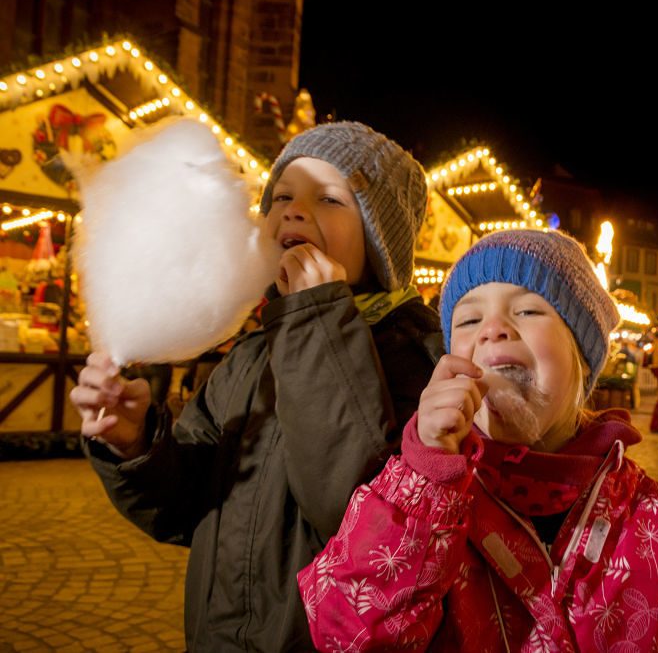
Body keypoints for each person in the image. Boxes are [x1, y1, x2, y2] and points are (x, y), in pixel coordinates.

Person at [298, 229, 658, 652]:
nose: (493, 328)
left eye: (528, 310)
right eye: (468, 322)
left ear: (584, 357)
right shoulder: (407, 492)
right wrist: (425, 476)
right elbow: (347, 633)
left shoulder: (653, 516)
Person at [70, 122, 441, 652]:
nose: (293, 210)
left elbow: (350, 510)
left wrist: (316, 318)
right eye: (282, 195)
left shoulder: (417, 357)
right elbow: (186, 505)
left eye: (330, 199)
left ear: (381, 241)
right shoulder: (248, 355)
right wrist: (136, 445)